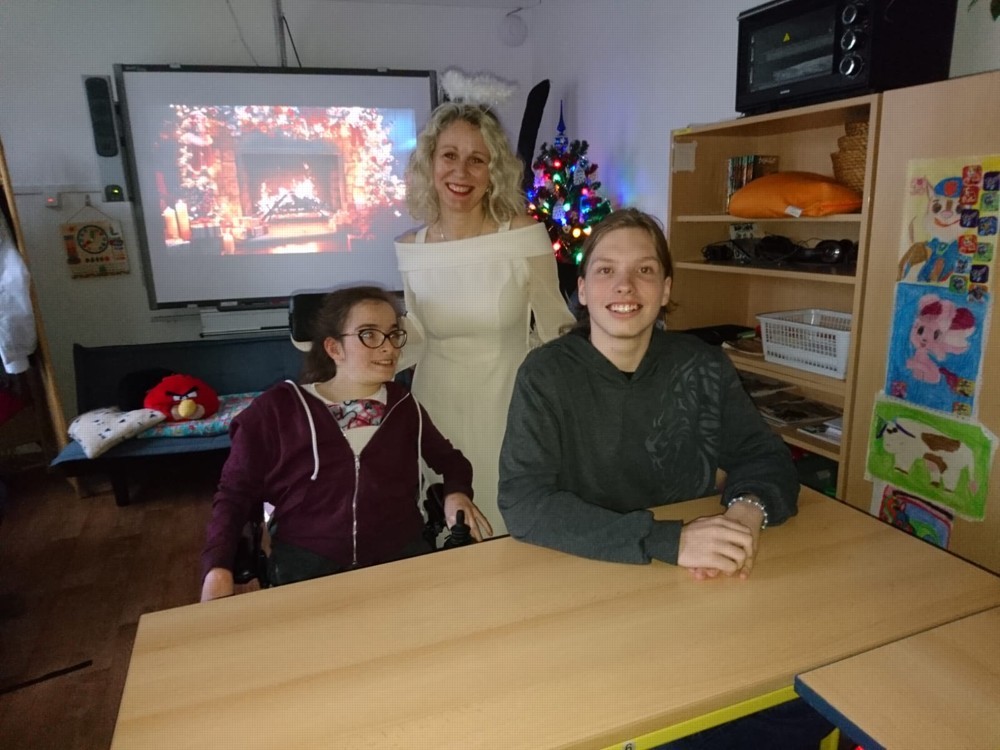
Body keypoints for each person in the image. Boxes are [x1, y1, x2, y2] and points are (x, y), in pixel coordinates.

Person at [497, 208, 832, 749]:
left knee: (800, 705)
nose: (625, 286)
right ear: (581, 290)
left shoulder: (701, 365)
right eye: (606, 270)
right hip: (584, 586)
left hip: (695, 591)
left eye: (645, 270)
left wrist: (746, 513)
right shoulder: (546, 374)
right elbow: (525, 503)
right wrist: (667, 541)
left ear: (666, 288)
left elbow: (762, 456)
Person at [200, 286, 491, 602]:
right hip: (307, 566)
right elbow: (235, 494)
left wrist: (456, 493)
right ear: (334, 348)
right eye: (369, 334)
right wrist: (218, 567)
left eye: (393, 334)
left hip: (400, 558)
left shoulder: (403, 406)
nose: (388, 347)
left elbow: (451, 461)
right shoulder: (279, 409)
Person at [394, 101, 574, 537]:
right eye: (449, 155)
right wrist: (354, 360)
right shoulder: (411, 247)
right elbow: (417, 332)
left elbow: (557, 328)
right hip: (435, 410)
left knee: (511, 529)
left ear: (494, 171)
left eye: (477, 159)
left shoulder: (523, 234)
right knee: (445, 530)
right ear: (430, 162)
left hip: (509, 409)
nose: (462, 172)